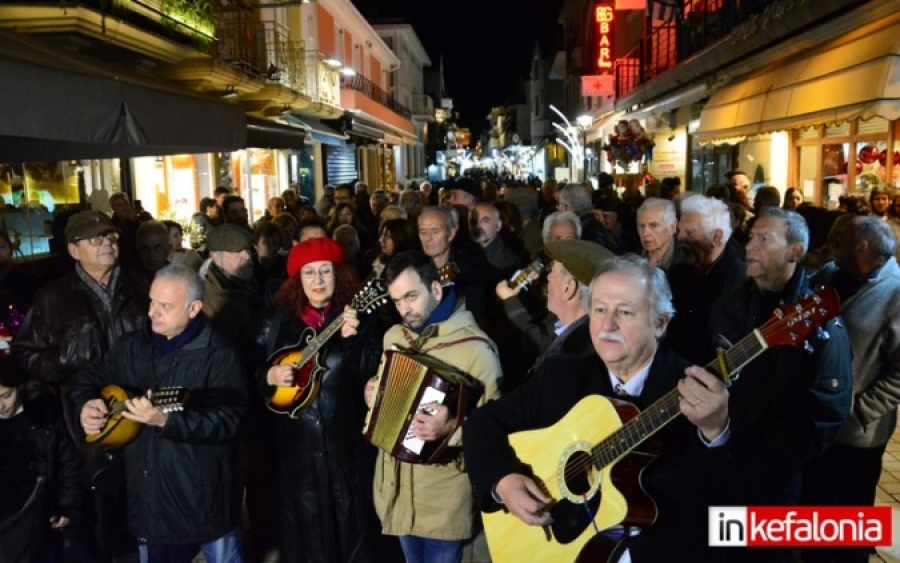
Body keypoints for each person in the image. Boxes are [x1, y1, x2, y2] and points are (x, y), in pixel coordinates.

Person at [464, 255, 733, 561]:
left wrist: (716, 432)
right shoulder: (562, 375)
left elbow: (732, 502)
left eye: (625, 312)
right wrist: (504, 481)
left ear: (660, 323)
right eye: (600, 310)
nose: (607, 325)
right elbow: (482, 423)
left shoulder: (696, 392)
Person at [72, 265, 247, 563]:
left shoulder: (220, 354)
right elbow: (86, 380)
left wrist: (166, 421)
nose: (152, 312)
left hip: (203, 500)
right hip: (149, 500)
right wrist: (85, 403)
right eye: (152, 301)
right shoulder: (133, 345)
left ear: (194, 308)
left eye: (165, 306)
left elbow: (230, 421)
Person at [709, 206, 852, 510]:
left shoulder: (816, 321)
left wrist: (768, 449)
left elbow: (826, 411)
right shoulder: (729, 305)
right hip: (721, 454)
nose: (749, 246)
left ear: (794, 252)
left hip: (775, 474)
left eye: (764, 239)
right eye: (750, 238)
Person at [365, 250, 502, 563]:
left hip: (444, 499)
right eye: (397, 301)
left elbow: (496, 430)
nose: (404, 309)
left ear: (436, 289)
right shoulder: (393, 337)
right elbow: (387, 398)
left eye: (411, 296)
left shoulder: (477, 351)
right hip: (395, 493)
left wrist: (451, 428)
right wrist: (373, 394)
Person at [258, 237, 383, 562]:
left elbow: (372, 374)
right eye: (309, 273)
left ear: (338, 275)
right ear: (297, 280)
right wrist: (267, 377)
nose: (317, 281)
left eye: (325, 271)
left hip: (348, 452)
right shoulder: (275, 322)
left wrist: (354, 342)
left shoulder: (358, 318)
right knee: (306, 538)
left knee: (354, 534)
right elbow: (247, 372)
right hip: (295, 454)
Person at [801, 217, 900, 563]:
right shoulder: (830, 274)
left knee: (848, 520)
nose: (834, 244)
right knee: (813, 511)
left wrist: (857, 411)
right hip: (815, 422)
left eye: (841, 239)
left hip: (857, 434)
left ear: (861, 248)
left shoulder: (895, 294)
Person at [0, 356, 83, 562]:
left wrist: (67, 506)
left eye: (5, 396)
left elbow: (67, 463)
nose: (0, 405)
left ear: (19, 387)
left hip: (42, 514)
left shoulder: (44, 414)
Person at [666, 195, 746, 365]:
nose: (680, 238)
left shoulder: (739, 281)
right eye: (680, 231)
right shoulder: (681, 271)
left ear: (716, 237)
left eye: (690, 232)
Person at [636, 198, 688, 271]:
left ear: (672, 227)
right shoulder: (630, 256)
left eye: (653, 225)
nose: (645, 233)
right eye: (641, 226)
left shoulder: (688, 261)